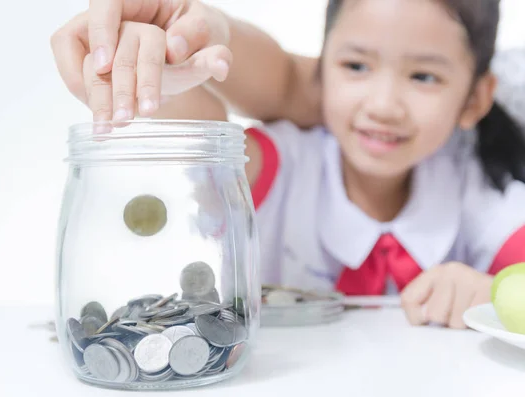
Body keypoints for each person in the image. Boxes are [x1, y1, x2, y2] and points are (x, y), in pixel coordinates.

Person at [51, 0, 525, 329]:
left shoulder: (479, 187)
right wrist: (159, 61)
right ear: (318, 70)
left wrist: (492, 292)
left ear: (476, 98)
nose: (383, 104)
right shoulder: (283, 165)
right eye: (356, 66)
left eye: (423, 76)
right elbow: (206, 140)